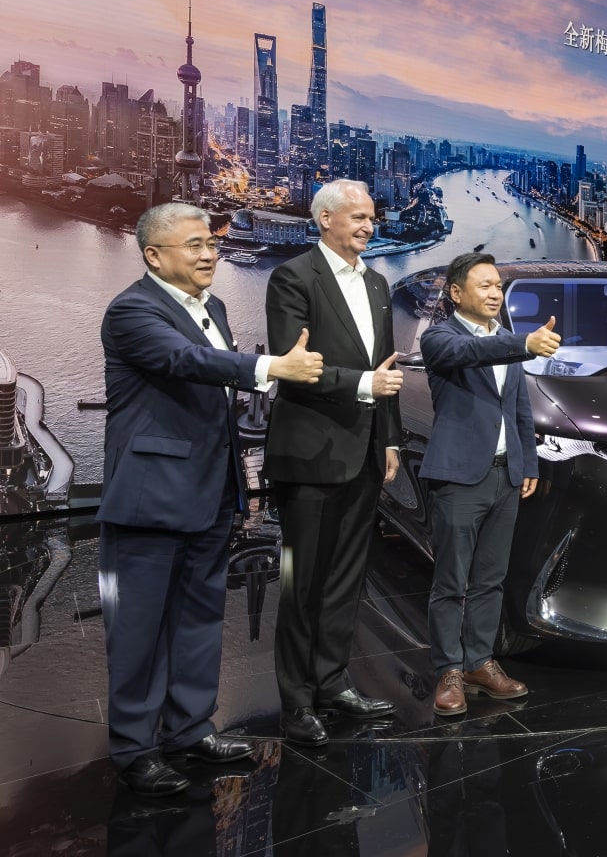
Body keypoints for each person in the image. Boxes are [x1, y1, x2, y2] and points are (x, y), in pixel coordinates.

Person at [98, 202, 325, 796]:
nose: (209, 254)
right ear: (153, 256)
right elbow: (188, 360)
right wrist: (272, 365)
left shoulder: (215, 307)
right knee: (139, 628)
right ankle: (135, 749)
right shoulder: (132, 310)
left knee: (200, 618)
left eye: (211, 244)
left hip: (211, 489)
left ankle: (190, 730)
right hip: (151, 494)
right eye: (194, 245)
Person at [264, 179, 405, 747]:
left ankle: (332, 682)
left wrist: (390, 439)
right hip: (310, 454)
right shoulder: (293, 277)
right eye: (358, 217)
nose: (369, 226)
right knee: (302, 583)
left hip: (365, 452)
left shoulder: (376, 283)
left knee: (347, 578)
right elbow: (293, 364)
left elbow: (387, 369)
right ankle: (295, 701)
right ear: (324, 219)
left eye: (371, 217)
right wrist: (365, 384)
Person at [419, 252, 562, 716]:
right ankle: (448, 669)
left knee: (490, 580)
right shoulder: (441, 337)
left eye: (498, 285)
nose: (495, 293)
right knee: (450, 581)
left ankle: (479, 663)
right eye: (484, 285)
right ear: (456, 292)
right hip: (459, 476)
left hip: (505, 475)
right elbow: (467, 353)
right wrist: (524, 344)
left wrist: (528, 463)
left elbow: (519, 409)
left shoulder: (505, 340)